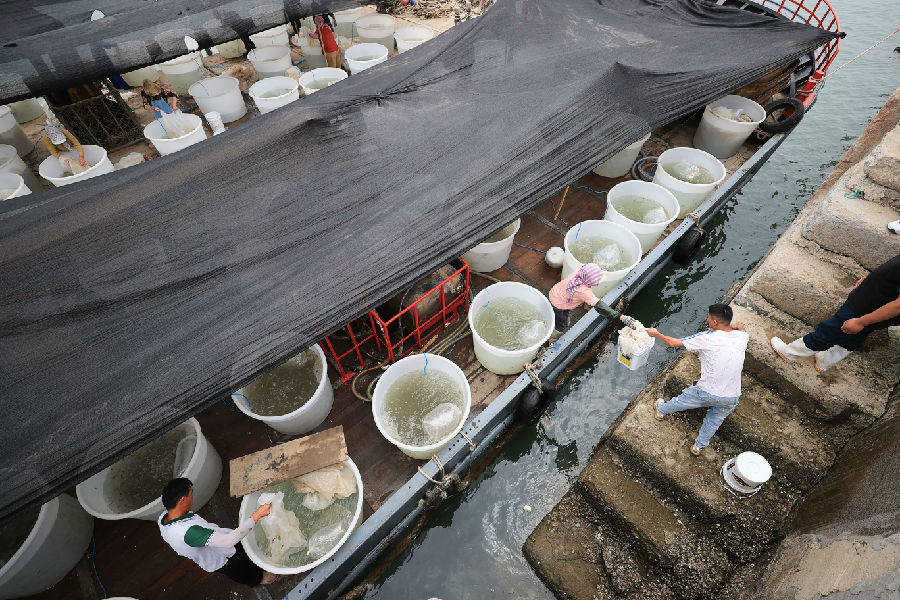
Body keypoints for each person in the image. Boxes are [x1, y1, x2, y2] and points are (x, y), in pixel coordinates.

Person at [646, 303, 748, 456]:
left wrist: (656, 333)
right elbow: (737, 331)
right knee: (714, 420)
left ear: (714, 322)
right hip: (732, 396)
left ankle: (660, 410)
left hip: (707, 391)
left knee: (682, 401)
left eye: (708, 317)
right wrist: (736, 328)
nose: (707, 319)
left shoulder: (706, 337)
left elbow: (672, 343)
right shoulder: (743, 336)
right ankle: (698, 446)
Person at [771, 253, 900, 371]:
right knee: (854, 338)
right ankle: (824, 361)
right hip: (876, 303)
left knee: (829, 331)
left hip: (865, 307)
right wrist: (872, 280)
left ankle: (790, 352)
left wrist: (861, 321)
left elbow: (898, 306)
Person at [158, 478, 277, 587]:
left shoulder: (164, 517)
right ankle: (259, 578)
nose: (193, 496)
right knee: (243, 571)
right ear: (182, 500)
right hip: (223, 559)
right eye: (191, 493)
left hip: (219, 539)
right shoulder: (186, 532)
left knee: (244, 552)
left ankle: (257, 563)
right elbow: (228, 541)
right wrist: (257, 515)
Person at [548, 263, 635, 339]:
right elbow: (600, 306)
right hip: (559, 304)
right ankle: (552, 338)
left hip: (555, 292)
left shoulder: (581, 271)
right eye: (597, 280)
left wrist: (600, 265)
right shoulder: (584, 291)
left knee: (557, 311)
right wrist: (621, 317)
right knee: (563, 324)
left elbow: (590, 267)